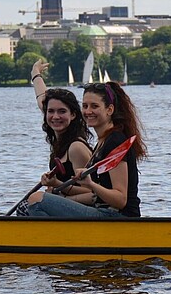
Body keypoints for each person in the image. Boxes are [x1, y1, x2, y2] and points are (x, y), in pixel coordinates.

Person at [22, 81, 146, 218]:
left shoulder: (115, 141)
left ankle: (57, 239)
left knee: (37, 200)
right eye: (85, 106)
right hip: (103, 211)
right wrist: (56, 184)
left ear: (109, 110)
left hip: (116, 216)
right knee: (26, 206)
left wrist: (91, 184)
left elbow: (120, 200)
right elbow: (95, 195)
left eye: (94, 106)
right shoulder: (103, 142)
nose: (88, 111)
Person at [29, 59, 93, 198]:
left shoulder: (76, 148)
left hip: (84, 210)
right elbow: (41, 98)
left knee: (32, 201)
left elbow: (92, 193)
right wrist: (35, 74)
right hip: (65, 201)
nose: (55, 116)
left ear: (74, 115)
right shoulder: (61, 136)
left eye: (62, 112)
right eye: (50, 111)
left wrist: (57, 185)